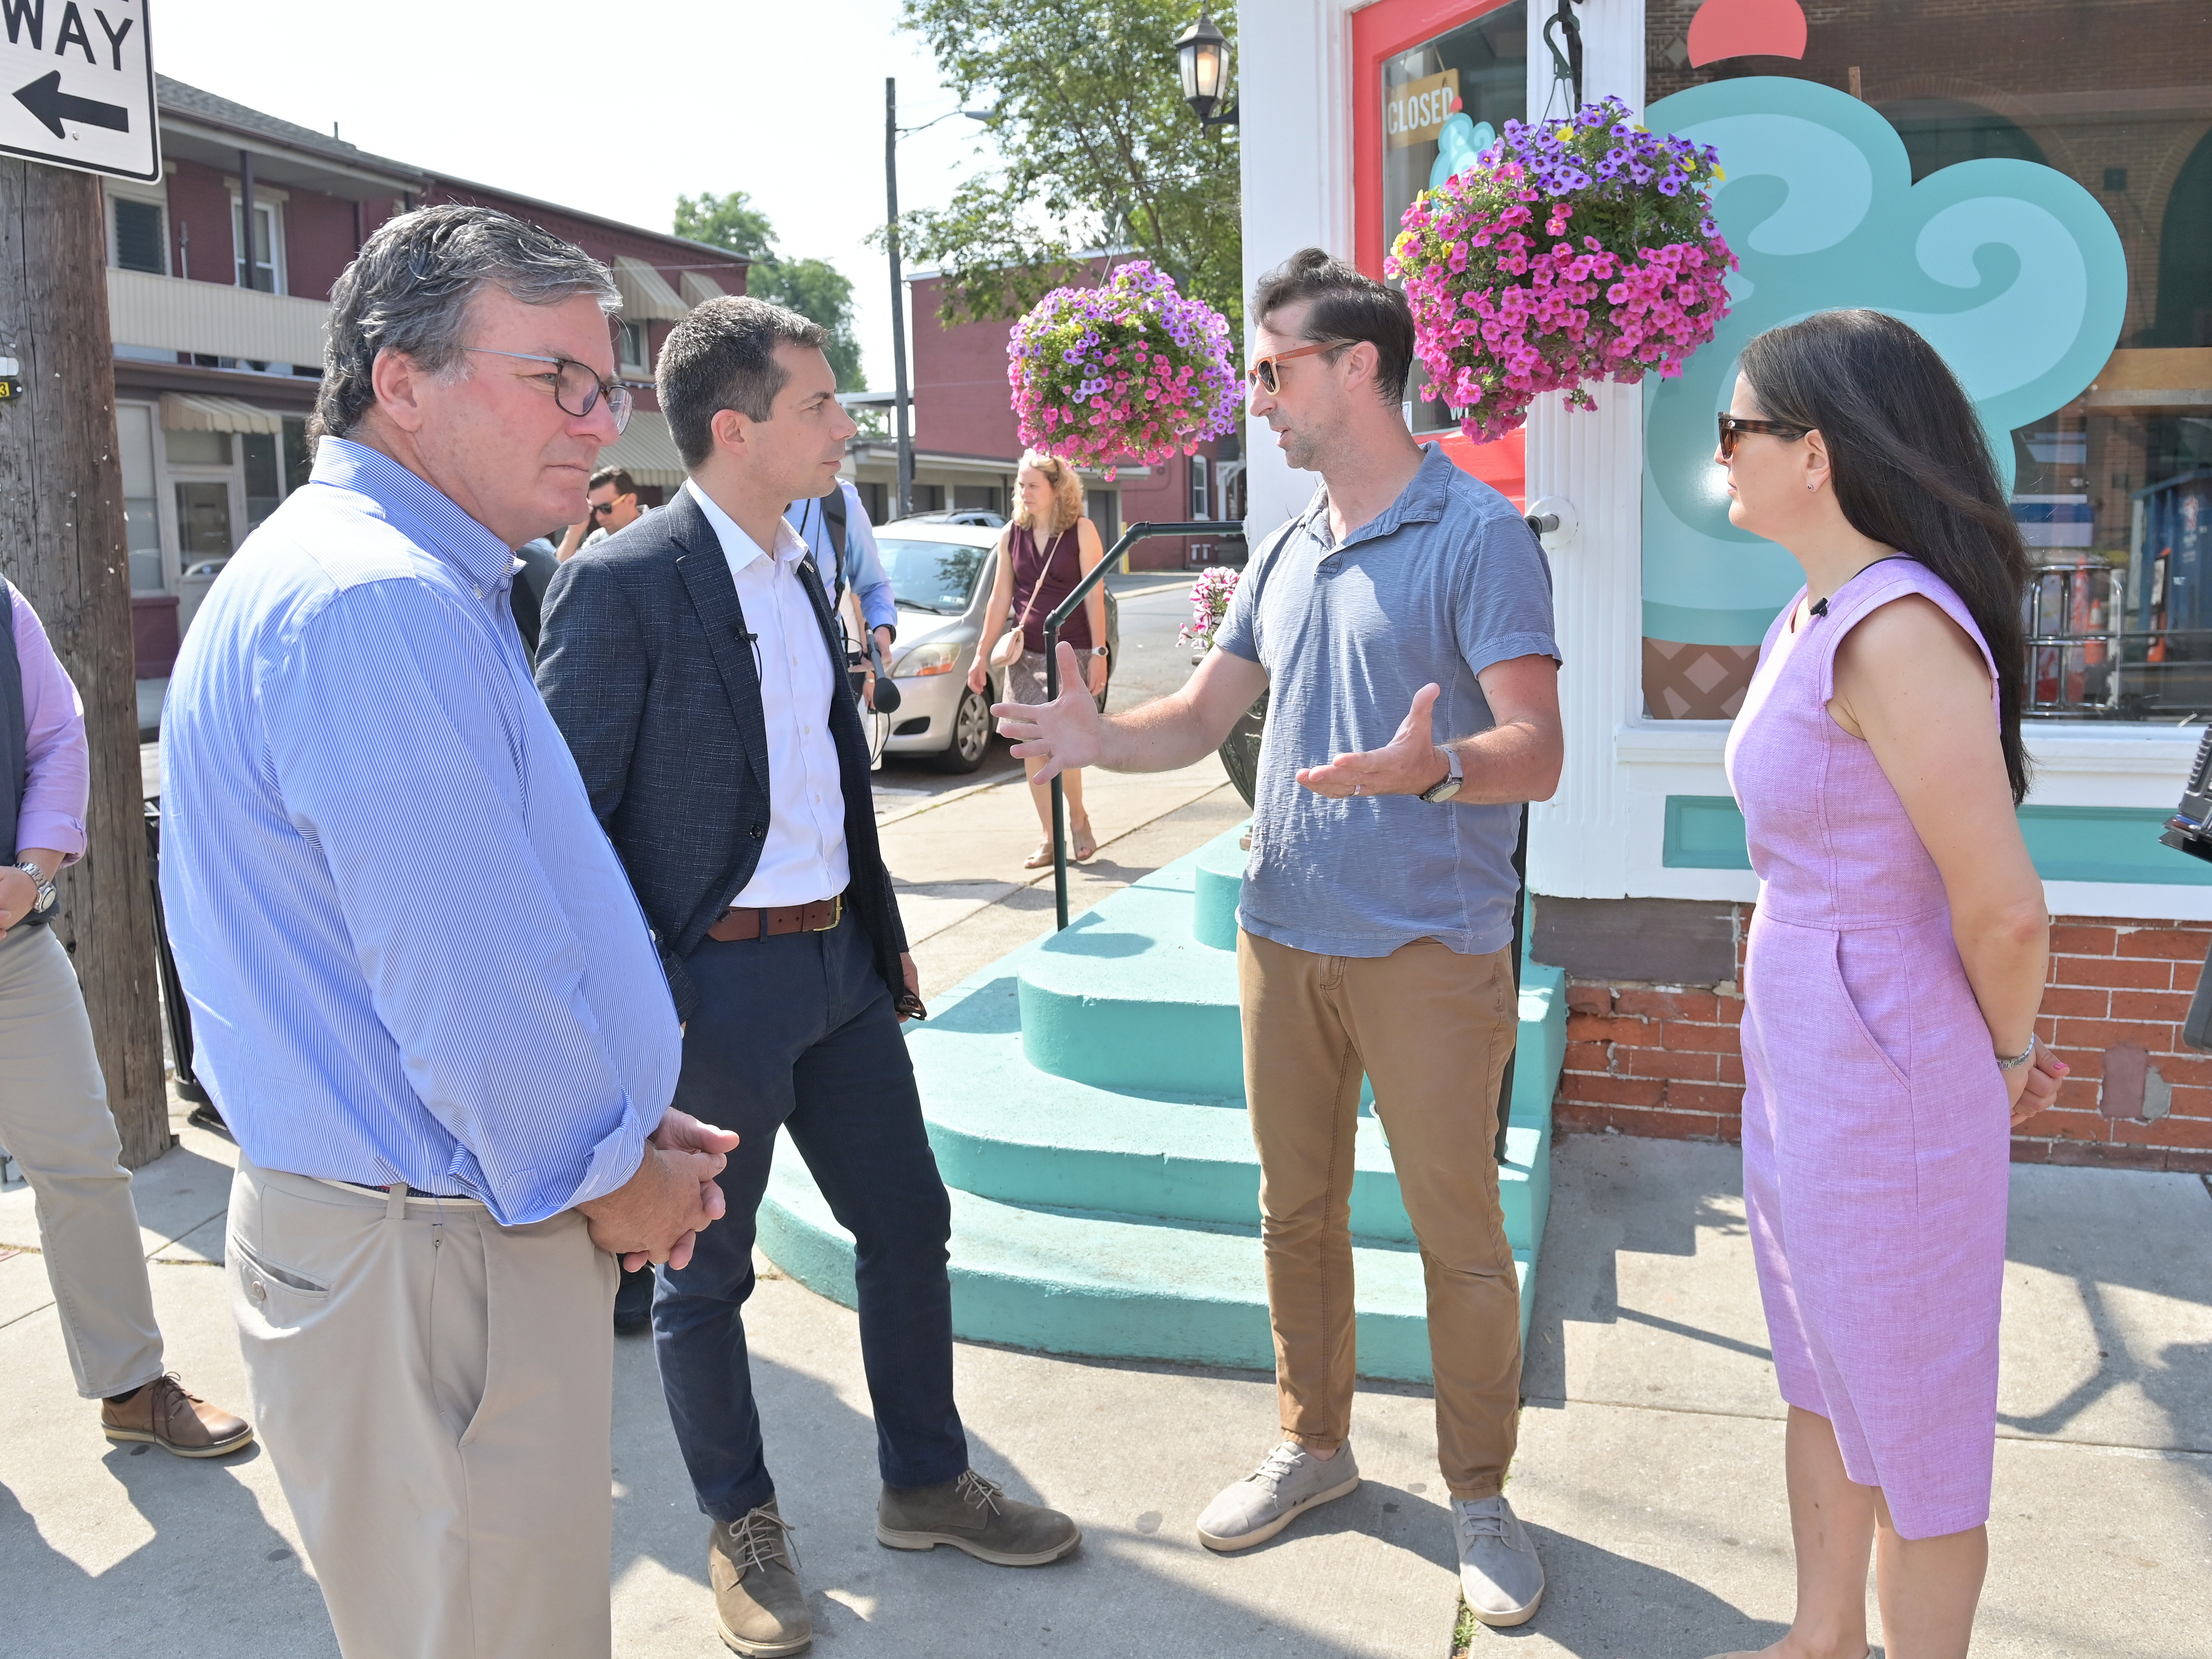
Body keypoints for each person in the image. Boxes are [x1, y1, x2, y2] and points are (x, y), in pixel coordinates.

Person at [159, 204, 737, 1659]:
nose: (597, 422)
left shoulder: (396, 579)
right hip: (438, 1255)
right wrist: (610, 1176)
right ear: (399, 381)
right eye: (557, 379)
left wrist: (612, 1127)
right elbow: (470, 991)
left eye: (605, 387)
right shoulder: (375, 601)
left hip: (435, 1234)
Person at [993, 247, 1562, 1627]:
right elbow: (1194, 721)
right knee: (1293, 1215)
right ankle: (1314, 1446)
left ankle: (1477, 1493)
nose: (1256, 394)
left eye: (1272, 368)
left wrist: (1426, 771)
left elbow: (1534, 754)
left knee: (1456, 1236)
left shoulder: (1476, 535)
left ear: (1358, 367)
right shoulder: (1286, 544)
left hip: (1428, 947)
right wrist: (1091, 738)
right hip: (1282, 933)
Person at [538, 295, 1079, 1659]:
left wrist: (879, 932)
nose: (850, 426)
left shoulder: (804, 559)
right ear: (736, 429)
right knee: (702, 1274)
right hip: (708, 992)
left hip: (837, 971)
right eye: (823, 406)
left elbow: (835, 782)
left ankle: (923, 1481)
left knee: (909, 1224)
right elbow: (565, 832)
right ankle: (743, 1526)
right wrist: (636, 1011)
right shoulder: (622, 583)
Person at [1705, 310, 2065, 1659]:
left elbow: (2003, 910)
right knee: (1816, 1363)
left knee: (1911, 1419)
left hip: (1888, 1062)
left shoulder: (1899, 632)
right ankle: (1821, 1637)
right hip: (1807, 1048)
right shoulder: (1808, 613)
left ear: (1816, 452)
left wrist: (2004, 1059)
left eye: (1733, 429)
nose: (1719, 456)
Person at [0, 580, 252, 1460]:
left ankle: (131, 1385)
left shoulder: (1, 605)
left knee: (82, 1165)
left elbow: (56, 738)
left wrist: (31, 874)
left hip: (12, 947)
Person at [966, 453, 1109, 867]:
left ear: (1056, 489)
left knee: (1064, 744)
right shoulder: (1012, 534)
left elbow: (1094, 596)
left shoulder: (1082, 531)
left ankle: (1078, 820)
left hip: (1072, 652)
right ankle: (1051, 838)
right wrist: (980, 656)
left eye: (1032, 486)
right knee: (1031, 748)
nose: (1023, 493)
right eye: (1020, 486)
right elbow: (999, 599)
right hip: (1025, 655)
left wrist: (1100, 652)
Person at [557, 463, 653, 559]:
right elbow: (561, 570)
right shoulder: (598, 538)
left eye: (606, 508)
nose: (599, 517)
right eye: (594, 509)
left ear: (631, 501)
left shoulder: (658, 529)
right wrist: (574, 533)